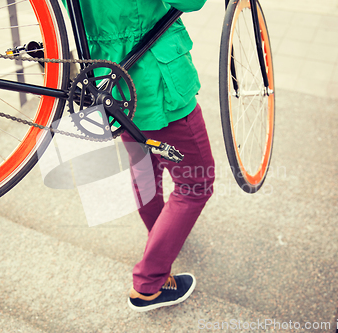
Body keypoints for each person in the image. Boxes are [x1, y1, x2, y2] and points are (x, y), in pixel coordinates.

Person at [71, 0, 215, 311]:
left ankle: (163, 235)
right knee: (196, 185)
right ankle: (150, 283)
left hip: (111, 81)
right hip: (156, 79)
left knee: (145, 170)